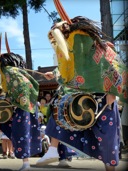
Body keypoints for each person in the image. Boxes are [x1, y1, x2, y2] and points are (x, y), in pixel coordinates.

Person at [36, 15, 126, 171]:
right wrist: (55, 73)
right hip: (81, 97)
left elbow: (117, 67)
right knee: (58, 112)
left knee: (108, 140)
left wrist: (113, 92)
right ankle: (52, 149)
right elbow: (70, 68)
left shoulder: (99, 46)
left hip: (104, 97)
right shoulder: (74, 45)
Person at [0, 38, 41, 170]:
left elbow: (20, 89)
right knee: (17, 130)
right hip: (28, 106)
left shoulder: (9, 71)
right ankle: (1, 130)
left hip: (23, 107)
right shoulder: (18, 72)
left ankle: (26, 164)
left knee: (21, 133)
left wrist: (10, 101)